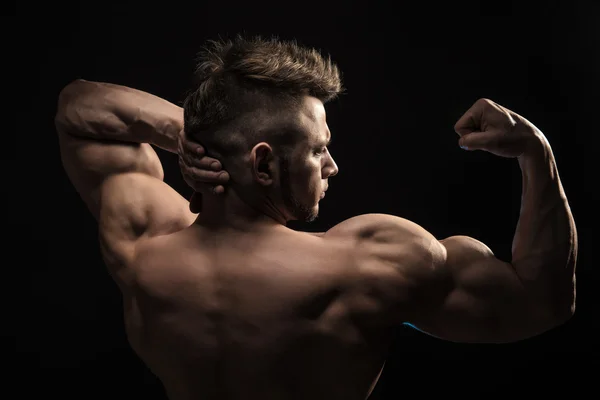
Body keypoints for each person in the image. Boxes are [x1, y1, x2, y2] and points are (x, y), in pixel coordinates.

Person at [54, 35, 577, 400]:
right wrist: (538, 154)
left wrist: (183, 133)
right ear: (263, 163)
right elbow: (542, 300)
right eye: (318, 149)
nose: (332, 165)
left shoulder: (143, 239)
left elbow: (79, 109)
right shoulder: (369, 264)